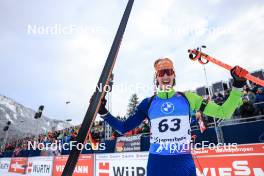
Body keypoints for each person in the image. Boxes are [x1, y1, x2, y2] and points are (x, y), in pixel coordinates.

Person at [97, 57, 247, 176]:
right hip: (158, 164)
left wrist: (238, 86)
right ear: (157, 77)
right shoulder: (148, 103)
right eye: (161, 73)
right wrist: (103, 111)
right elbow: (123, 128)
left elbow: (223, 112)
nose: (166, 76)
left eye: (169, 71)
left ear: (174, 74)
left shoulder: (189, 98)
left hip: (183, 162)